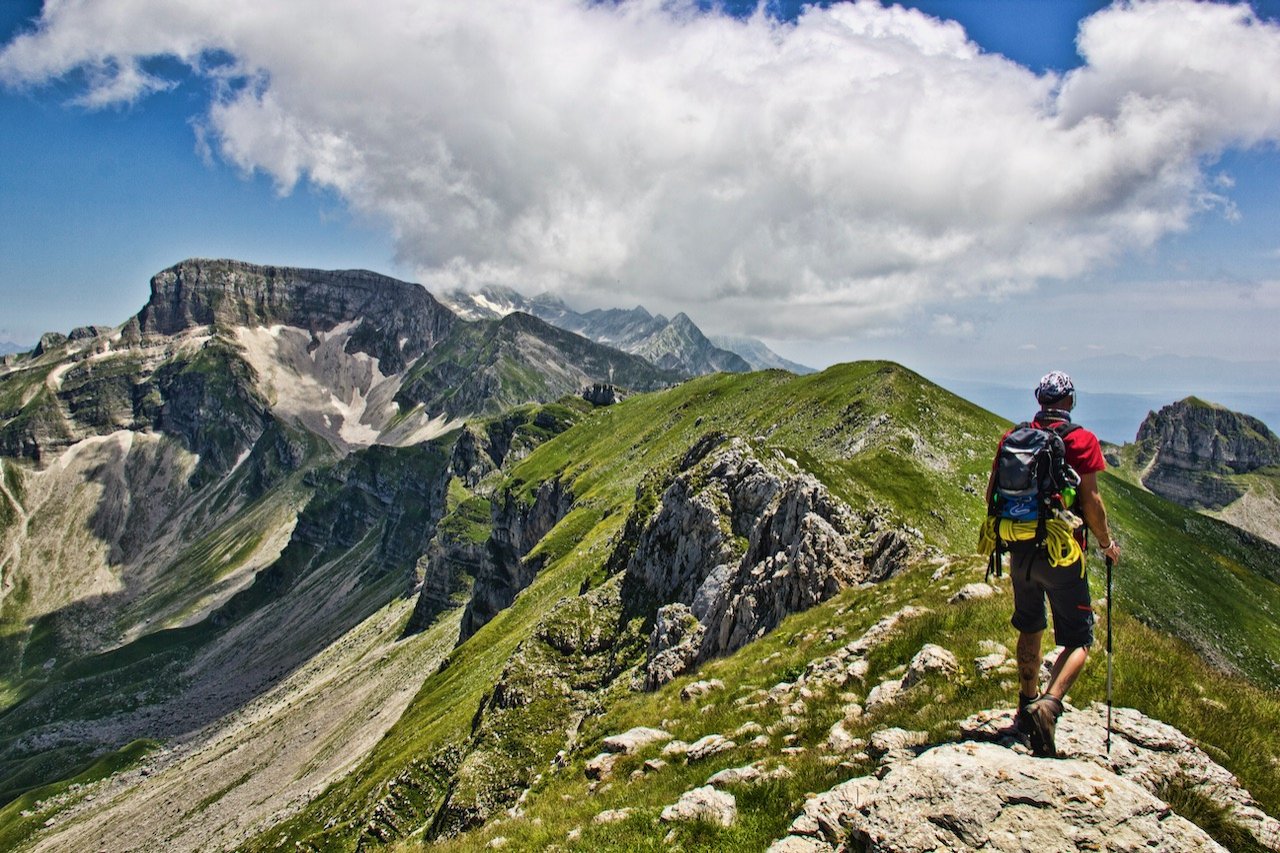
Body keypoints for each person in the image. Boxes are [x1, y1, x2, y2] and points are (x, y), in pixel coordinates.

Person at [985, 370, 1121, 757]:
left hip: (1020, 551)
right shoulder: (1081, 440)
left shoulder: (1013, 438)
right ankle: (1050, 705)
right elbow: (1091, 502)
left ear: (1039, 400)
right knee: (1078, 639)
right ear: (1070, 401)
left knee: (1029, 627)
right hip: (1063, 553)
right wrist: (1106, 543)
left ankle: (1026, 705)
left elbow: (990, 493)